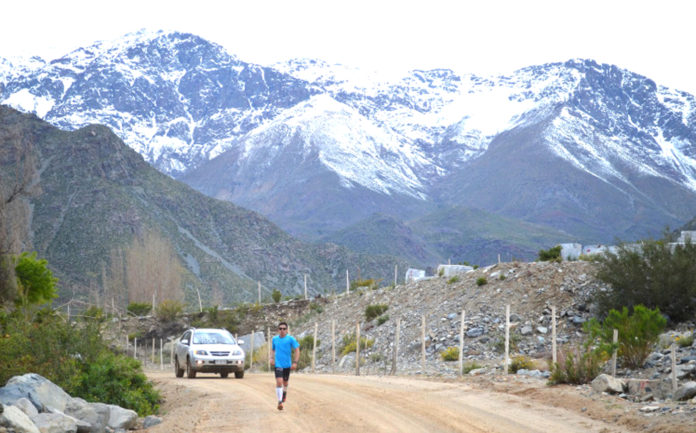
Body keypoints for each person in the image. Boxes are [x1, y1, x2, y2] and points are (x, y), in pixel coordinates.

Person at [270, 321, 300, 410]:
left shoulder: (290, 339)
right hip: (278, 364)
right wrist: (271, 358)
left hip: (287, 365)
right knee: (279, 382)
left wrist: (295, 362)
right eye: (280, 329)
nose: (282, 330)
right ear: (278, 330)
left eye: (284, 329)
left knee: (285, 383)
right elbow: (273, 349)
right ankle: (280, 402)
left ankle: (284, 393)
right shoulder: (275, 339)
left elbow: (297, 350)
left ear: (287, 330)